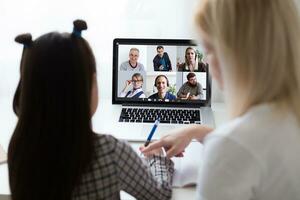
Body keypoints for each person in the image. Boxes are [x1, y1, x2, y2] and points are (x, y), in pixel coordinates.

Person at [142, 0, 300, 200]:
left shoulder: (229, 147)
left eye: (209, 49)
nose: (206, 61)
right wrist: (198, 131)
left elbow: (238, 147)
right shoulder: (289, 117)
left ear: (238, 53)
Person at [8, 20, 174, 200]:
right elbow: (159, 195)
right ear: (86, 88)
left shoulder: (19, 149)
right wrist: (157, 158)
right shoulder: (110, 151)